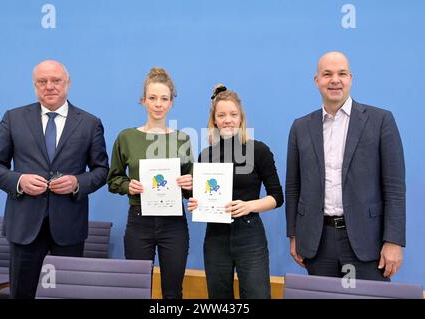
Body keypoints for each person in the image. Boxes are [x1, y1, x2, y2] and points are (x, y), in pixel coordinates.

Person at [0, 60, 109, 298]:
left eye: (55, 80)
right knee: (21, 293)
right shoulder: (13, 118)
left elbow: (102, 170)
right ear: (34, 85)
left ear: (68, 83)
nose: (49, 86)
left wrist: (77, 183)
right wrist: (19, 181)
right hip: (24, 226)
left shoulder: (90, 123)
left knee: (67, 294)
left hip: (69, 227)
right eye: (42, 81)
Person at [285, 52, 405, 281]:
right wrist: (294, 235)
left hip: (367, 242)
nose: (335, 80)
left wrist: (394, 241)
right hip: (318, 243)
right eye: (327, 74)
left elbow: (394, 187)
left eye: (341, 73)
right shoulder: (300, 127)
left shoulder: (381, 121)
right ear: (316, 80)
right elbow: (293, 186)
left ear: (351, 78)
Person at [188, 85, 284, 299]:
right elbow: (201, 194)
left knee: (256, 295)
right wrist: (197, 203)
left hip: (249, 235)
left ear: (241, 118)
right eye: (221, 115)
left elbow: (277, 197)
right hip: (215, 237)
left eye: (233, 114)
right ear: (214, 120)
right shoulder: (206, 155)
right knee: (218, 297)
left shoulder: (258, 151)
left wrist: (248, 205)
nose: (228, 120)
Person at [107, 67, 193, 299]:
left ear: (171, 103)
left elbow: (192, 189)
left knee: (173, 293)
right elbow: (113, 179)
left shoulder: (182, 139)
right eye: (152, 98)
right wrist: (128, 186)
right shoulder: (126, 137)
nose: (158, 104)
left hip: (174, 224)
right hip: (139, 221)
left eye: (164, 99)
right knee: (137, 290)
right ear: (143, 101)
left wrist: (189, 184)